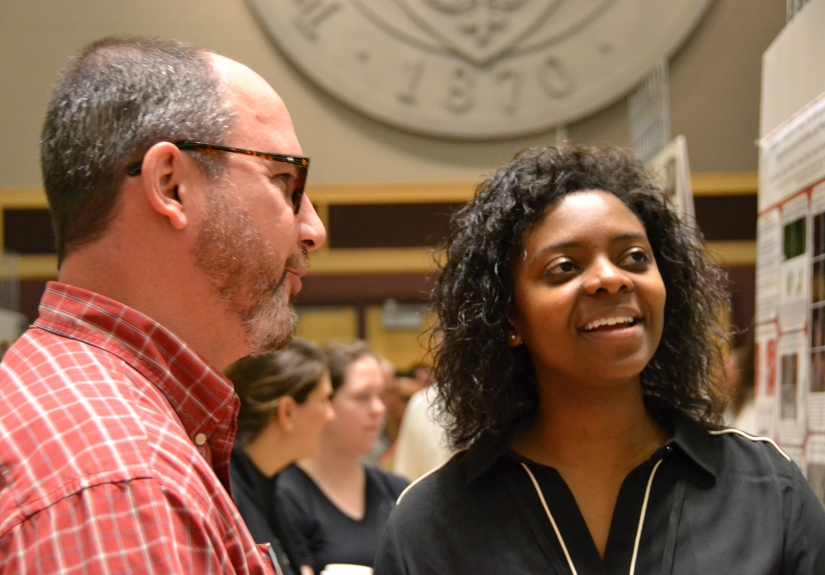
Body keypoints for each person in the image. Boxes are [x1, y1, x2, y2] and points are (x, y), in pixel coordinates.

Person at [374, 144, 825, 574]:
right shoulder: (432, 524)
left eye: (634, 257)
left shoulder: (766, 491)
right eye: (565, 267)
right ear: (509, 317)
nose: (611, 278)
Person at [0, 36, 325, 574]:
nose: (313, 229)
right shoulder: (123, 484)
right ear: (171, 185)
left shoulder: (78, 406)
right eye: (284, 180)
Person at [278, 341, 409, 574]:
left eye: (381, 396)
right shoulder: (284, 495)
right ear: (325, 402)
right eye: (363, 397)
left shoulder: (398, 491)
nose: (379, 409)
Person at [227, 339, 335, 575]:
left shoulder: (271, 491)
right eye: (324, 401)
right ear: (287, 412)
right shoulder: (227, 495)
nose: (331, 416)